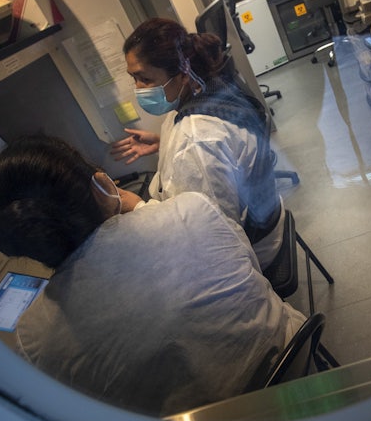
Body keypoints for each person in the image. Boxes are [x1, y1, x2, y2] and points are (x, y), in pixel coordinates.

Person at [0, 134, 306, 418]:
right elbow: (253, 274)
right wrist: (141, 209)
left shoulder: (33, 339)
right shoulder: (194, 208)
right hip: (300, 373)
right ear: (103, 185)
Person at [110, 17, 284, 269]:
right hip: (268, 218)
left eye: (144, 79)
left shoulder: (196, 139)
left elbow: (208, 236)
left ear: (182, 74)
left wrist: (136, 207)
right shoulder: (211, 88)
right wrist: (164, 143)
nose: (138, 89)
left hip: (249, 250)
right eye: (133, 79)